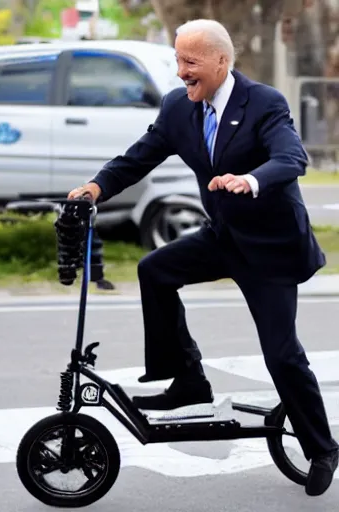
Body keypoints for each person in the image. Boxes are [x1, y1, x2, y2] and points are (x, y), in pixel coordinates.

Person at [68, 19, 338, 497]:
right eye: (177, 59)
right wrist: (97, 187)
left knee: (282, 355)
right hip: (223, 237)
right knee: (155, 269)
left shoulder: (264, 103)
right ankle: (189, 379)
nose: (180, 72)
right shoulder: (179, 108)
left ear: (221, 61)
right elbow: (139, 157)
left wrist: (250, 180)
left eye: (190, 62)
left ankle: (323, 449)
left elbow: (292, 158)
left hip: (270, 249)